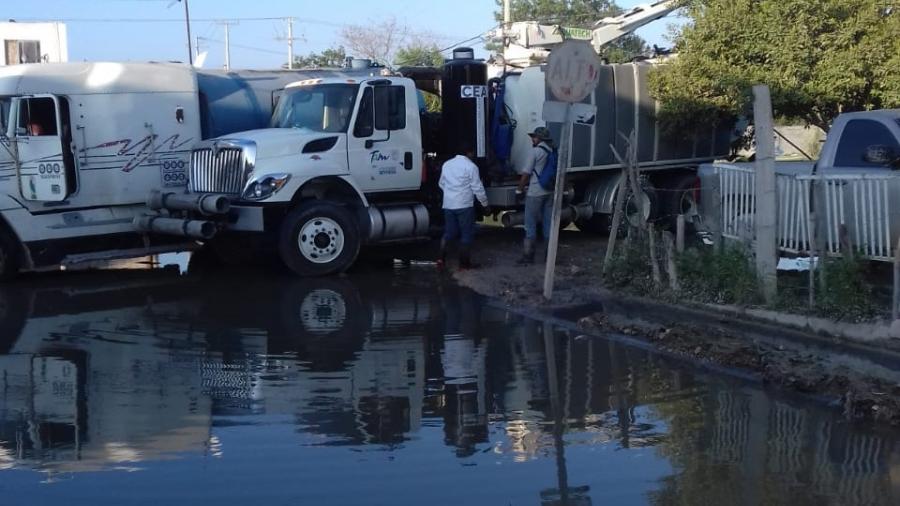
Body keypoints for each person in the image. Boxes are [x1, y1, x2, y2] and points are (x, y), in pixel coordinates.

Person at [438, 142, 491, 269]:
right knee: (466, 234)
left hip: (448, 205)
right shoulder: (471, 166)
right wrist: (485, 204)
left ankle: (441, 259)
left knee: (449, 233)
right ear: (469, 152)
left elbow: (441, 183)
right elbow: (477, 188)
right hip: (464, 205)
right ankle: (464, 263)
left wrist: (451, 193)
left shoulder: (447, 164)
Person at [515, 126, 554, 265]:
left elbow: (526, 173)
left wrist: (519, 190)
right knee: (548, 224)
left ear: (540, 138)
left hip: (535, 192)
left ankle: (528, 256)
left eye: (534, 137)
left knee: (530, 223)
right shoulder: (552, 151)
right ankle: (549, 257)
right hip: (549, 191)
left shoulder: (535, 152)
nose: (532, 139)